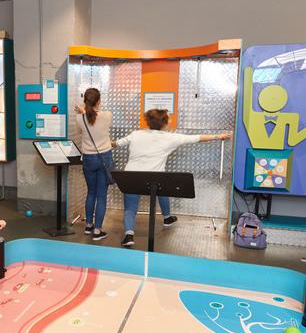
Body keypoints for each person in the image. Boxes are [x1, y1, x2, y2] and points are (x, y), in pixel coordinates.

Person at [114, 109, 232, 247]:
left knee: (130, 208)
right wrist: (219, 136)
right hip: (154, 179)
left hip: (131, 177)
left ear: (148, 122)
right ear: (164, 123)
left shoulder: (136, 134)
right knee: (163, 188)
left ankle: (129, 235)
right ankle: (167, 217)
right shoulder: (170, 138)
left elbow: (116, 143)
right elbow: (196, 138)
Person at [74, 88, 114, 241]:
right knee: (101, 195)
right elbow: (97, 118)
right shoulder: (107, 115)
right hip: (104, 157)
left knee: (91, 192)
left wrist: (83, 112)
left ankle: (88, 225)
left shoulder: (80, 118)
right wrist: (85, 111)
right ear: (98, 101)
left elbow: (81, 131)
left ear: (85, 101)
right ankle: (97, 231)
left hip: (88, 158)